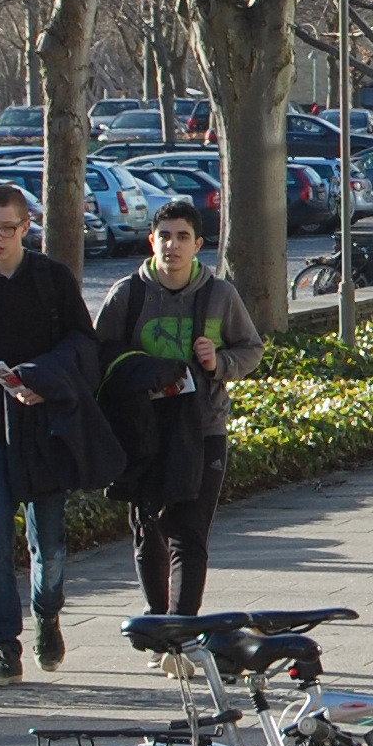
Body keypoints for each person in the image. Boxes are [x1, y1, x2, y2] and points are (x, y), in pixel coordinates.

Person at [0, 184, 96, 686]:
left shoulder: (52, 279)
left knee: (47, 544)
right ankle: (4, 647)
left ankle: (47, 613)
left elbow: (83, 344)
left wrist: (44, 381)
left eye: (6, 228)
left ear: (27, 227)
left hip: (43, 423)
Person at [93, 201, 262, 629]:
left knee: (189, 533)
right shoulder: (126, 296)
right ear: (152, 242)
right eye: (164, 236)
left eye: (182, 237)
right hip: (142, 431)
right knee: (149, 528)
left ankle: (182, 631)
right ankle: (157, 622)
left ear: (198, 245)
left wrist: (217, 361)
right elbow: (98, 359)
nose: (173, 245)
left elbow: (251, 350)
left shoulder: (219, 295)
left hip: (202, 429)